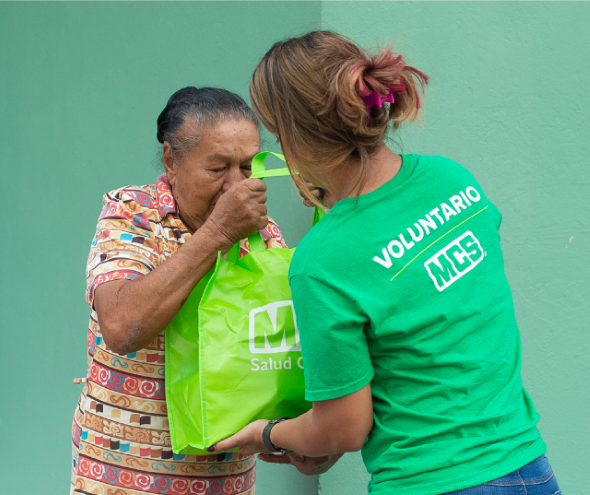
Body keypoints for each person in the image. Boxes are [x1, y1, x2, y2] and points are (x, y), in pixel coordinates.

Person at [211, 31, 562, 495]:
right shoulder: (453, 181)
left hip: (431, 482)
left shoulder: (323, 259)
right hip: (530, 469)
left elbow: (344, 428)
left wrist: (267, 433)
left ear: (296, 136)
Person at [70, 86, 336, 495]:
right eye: (217, 169)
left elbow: (276, 354)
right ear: (171, 160)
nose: (235, 186)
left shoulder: (263, 236)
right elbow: (122, 327)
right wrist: (218, 233)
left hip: (225, 483)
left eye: (247, 168)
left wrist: (303, 436)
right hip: (122, 480)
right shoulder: (132, 214)